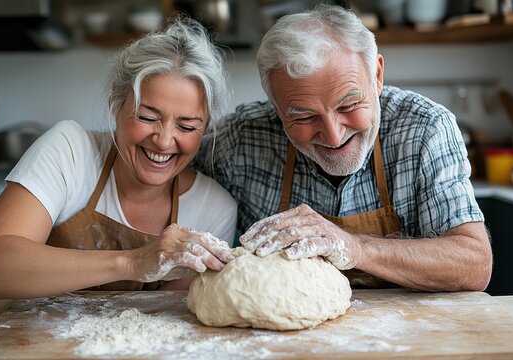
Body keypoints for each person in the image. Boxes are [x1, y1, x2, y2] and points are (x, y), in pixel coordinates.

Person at [194, 4, 493, 291]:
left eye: (348, 105)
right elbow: (164, 175)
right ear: (276, 107)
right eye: (304, 116)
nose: (334, 136)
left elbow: (474, 264)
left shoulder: (425, 129)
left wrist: (353, 247)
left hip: (409, 336)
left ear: (376, 76)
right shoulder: (241, 140)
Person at [0, 16, 237, 299]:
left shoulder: (213, 210)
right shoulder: (70, 152)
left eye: (187, 126)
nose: (165, 140)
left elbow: (176, 319)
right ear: (115, 104)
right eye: (147, 117)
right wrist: (132, 262)